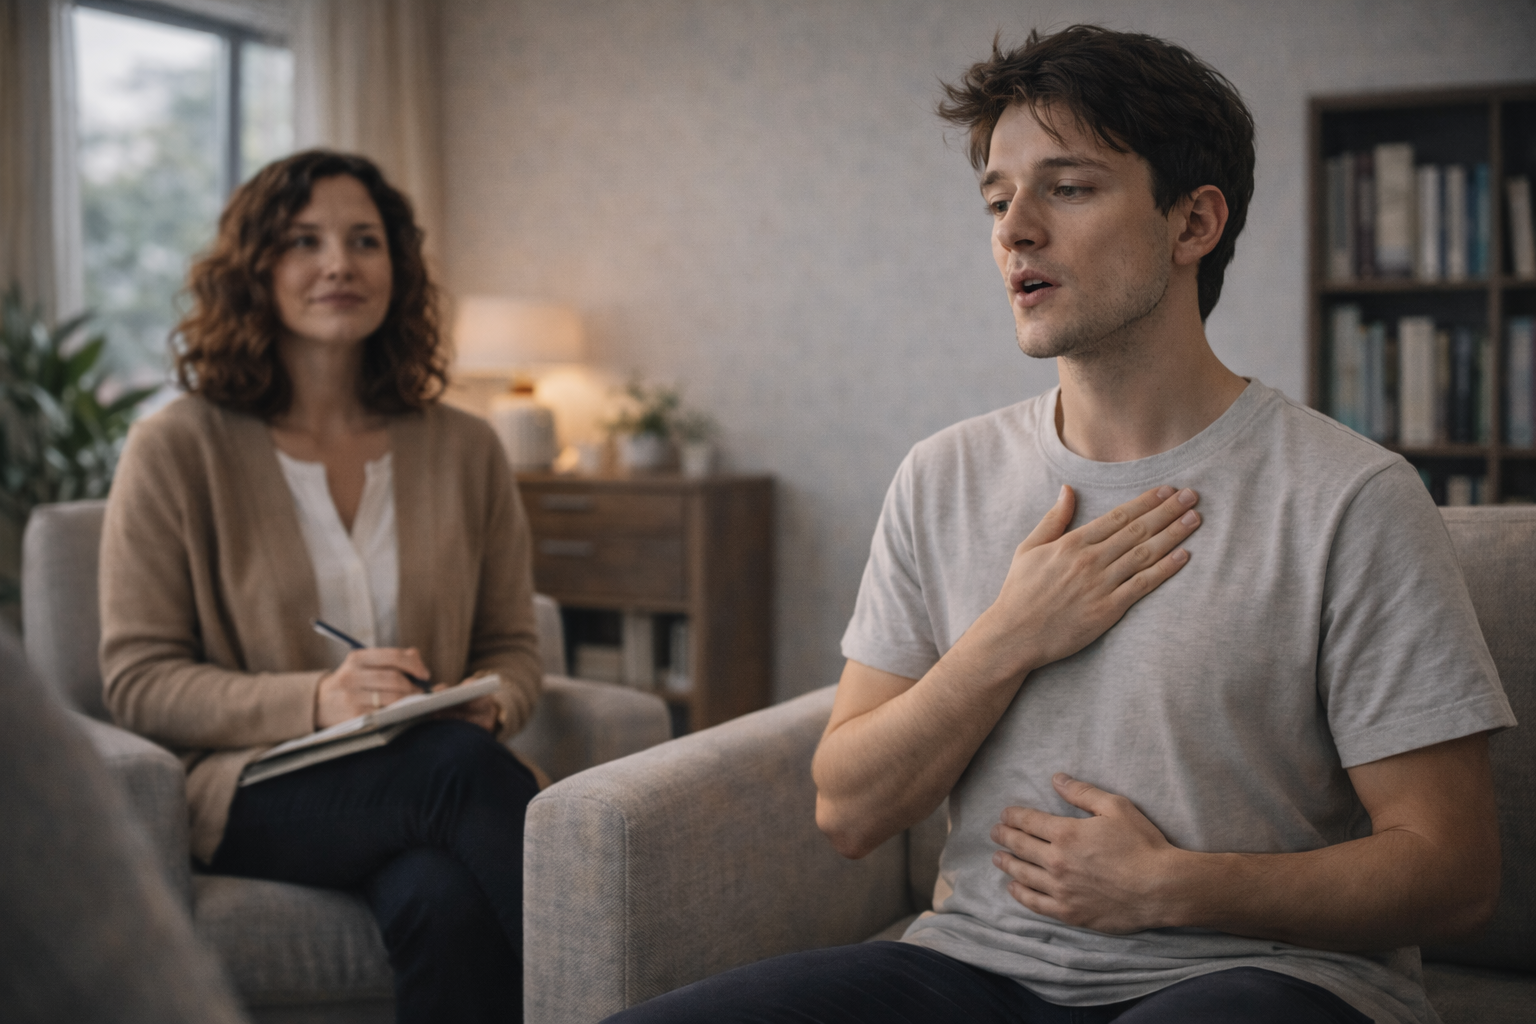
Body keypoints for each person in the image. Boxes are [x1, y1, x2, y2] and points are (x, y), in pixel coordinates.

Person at [604, 25, 1514, 1024]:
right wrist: (1010, 635)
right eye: (998, 198)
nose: (1014, 229)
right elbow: (848, 808)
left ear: (1193, 223)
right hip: (975, 966)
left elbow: (1453, 870)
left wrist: (1175, 885)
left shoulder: (1352, 497)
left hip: (1261, 977)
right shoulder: (941, 476)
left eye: (1068, 187)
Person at [99, 149, 544, 1024]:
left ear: (397, 270)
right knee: (455, 773)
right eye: (304, 240)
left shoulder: (465, 447)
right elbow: (137, 681)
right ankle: (659, 1005)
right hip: (253, 788)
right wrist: (318, 700)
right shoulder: (174, 448)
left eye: (365, 241)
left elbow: (514, 648)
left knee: (440, 901)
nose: (339, 262)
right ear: (254, 270)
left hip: (433, 774)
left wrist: (488, 706)